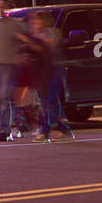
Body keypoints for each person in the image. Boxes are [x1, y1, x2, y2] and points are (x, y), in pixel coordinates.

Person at [32, 11, 74, 141]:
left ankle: (54, 128)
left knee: (51, 99)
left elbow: (49, 45)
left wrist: (32, 39)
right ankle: (55, 128)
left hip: (55, 69)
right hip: (41, 70)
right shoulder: (35, 35)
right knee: (44, 101)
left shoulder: (53, 32)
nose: (35, 23)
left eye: (38, 20)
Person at [0, 0, 23, 142]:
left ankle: (5, 130)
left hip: (9, 64)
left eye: (2, 6)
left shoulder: (14, 25)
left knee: (4, 97)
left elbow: (23, 41)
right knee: (5, 98)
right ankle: (15, 124)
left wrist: (19, 56)